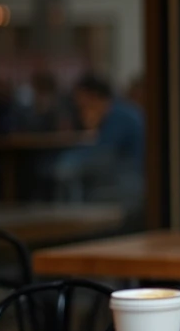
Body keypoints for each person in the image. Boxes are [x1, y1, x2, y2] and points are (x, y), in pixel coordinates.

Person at [56, 75, 146, 226]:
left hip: (128, 187)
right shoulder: (122, 111)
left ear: (93, 97)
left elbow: (100, 157)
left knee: (78, 194)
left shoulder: (119, 117)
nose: (78, 108)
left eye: (81, 102)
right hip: (129, 183)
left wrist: (64, 162)